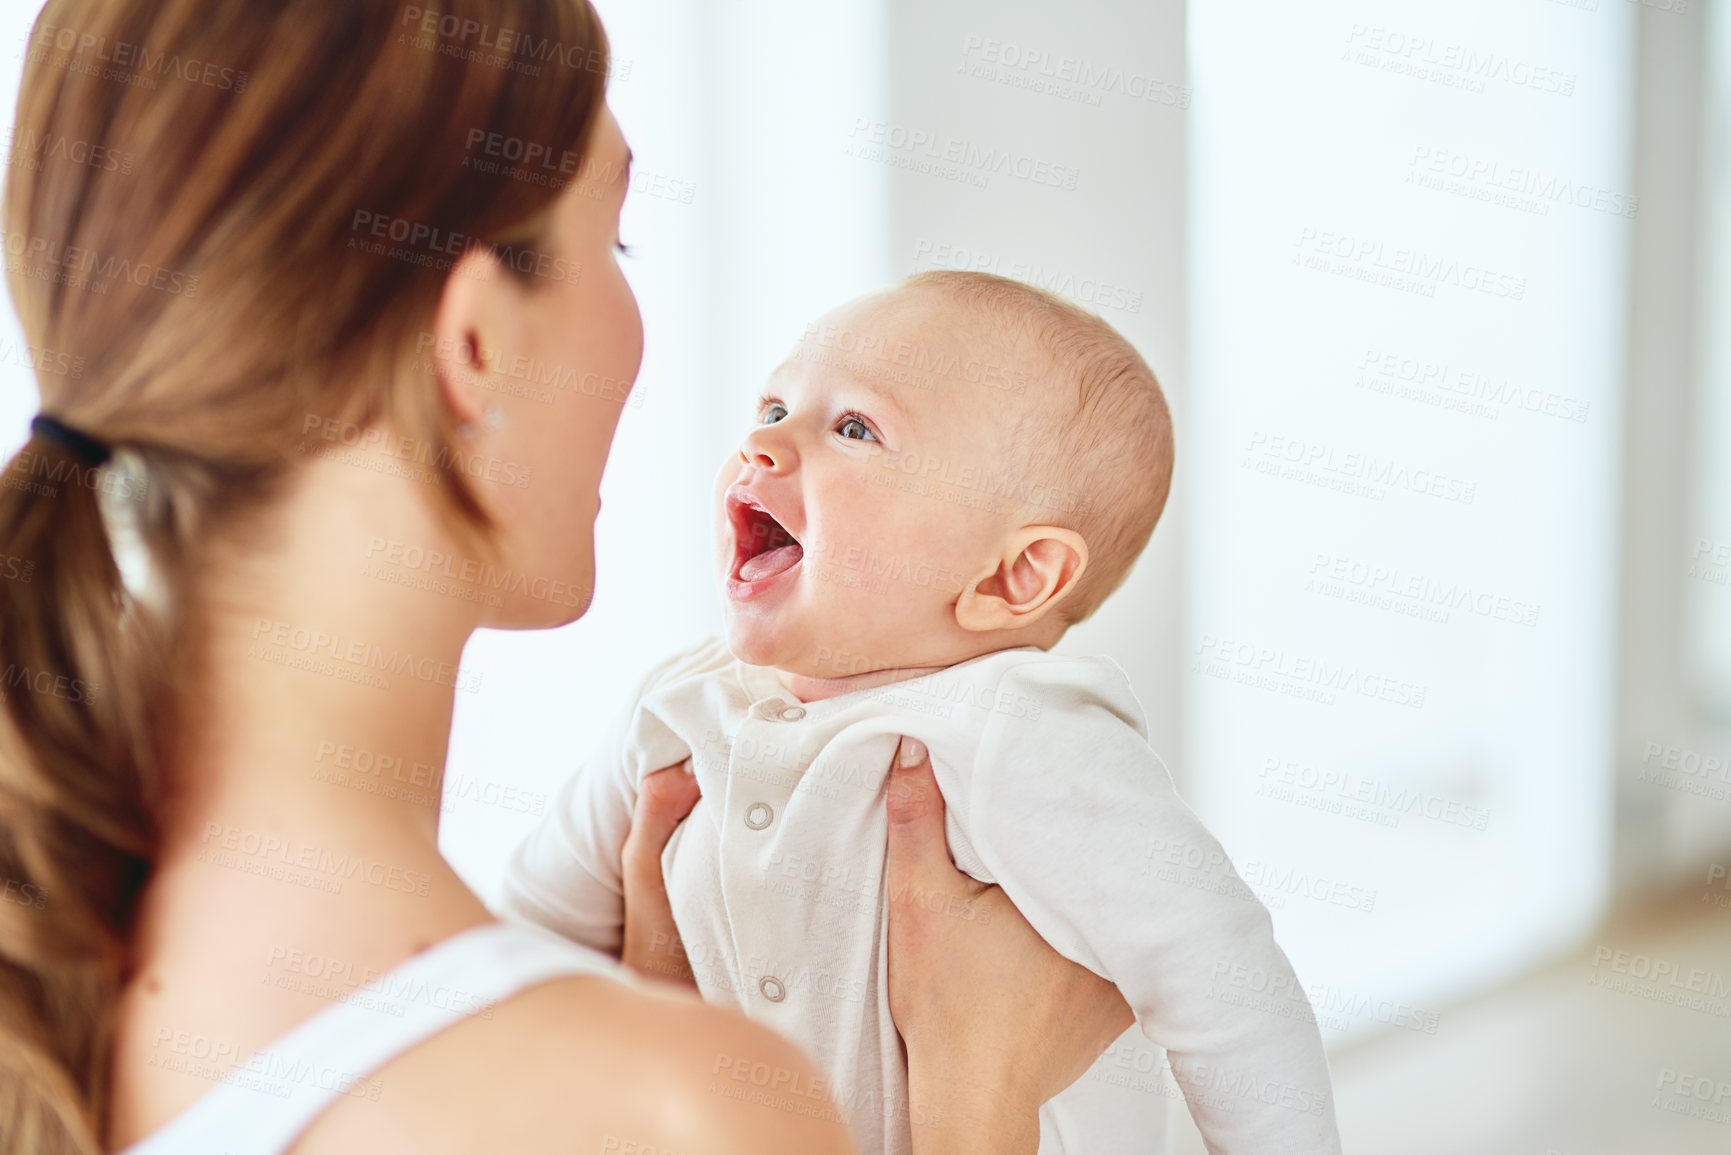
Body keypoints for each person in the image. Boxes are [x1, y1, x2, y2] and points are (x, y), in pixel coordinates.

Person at [0, 2, 1131, 1154]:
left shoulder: (56, 964)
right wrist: (977, 1087)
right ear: (476, 342)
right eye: (617, 242)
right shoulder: (666, 1111)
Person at [500, 274, 1343, 1153]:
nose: (763, 441)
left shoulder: (1027, 736)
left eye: (853, 428)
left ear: (1010, 578)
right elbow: (527, 933)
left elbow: (1228, 986)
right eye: (776, 403)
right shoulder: (679, 704)